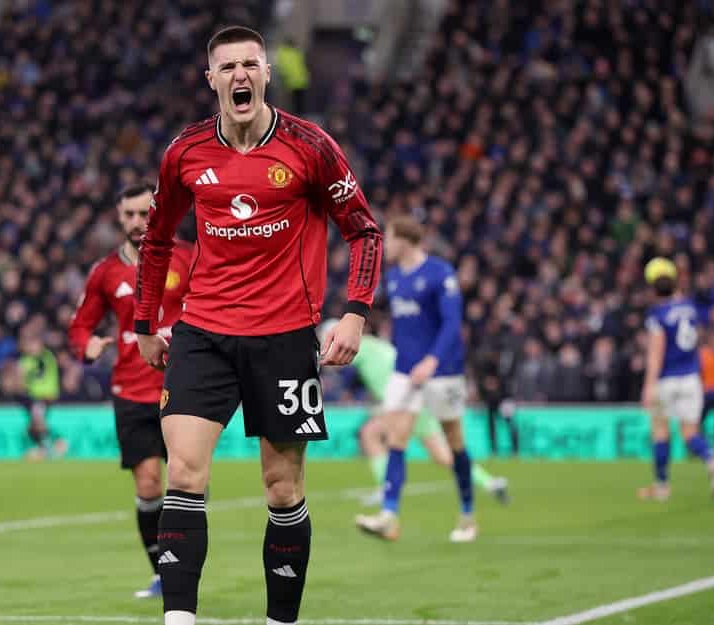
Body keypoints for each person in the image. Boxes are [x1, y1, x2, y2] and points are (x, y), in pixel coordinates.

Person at [133, 26, 382, 625]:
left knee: (282, 487)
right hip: (203, 332)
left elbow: (364, 231)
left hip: (284, 336)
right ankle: (178, 619)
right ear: (211, 79)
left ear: (267, 73)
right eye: (228, 67)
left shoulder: (309, 146)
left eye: (250, 64)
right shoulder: (186, 152)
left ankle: (280, 621)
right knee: (183, 472)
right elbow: (157, 238)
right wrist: (145, 322)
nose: (240, 75)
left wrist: (355, 313)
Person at [68, 181, 193, 599]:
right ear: (119, 218)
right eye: (130, 215)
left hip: (185, 385)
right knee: (149, 484)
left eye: (145, 213)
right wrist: (85, 346)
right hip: (131, 389)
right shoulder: (106, 272)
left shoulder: (189, 257)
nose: (138, 222)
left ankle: (185, 561)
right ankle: (164, 574)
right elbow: (81, 325)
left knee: (186, 480)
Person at [354, 215, 476, 543]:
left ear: (405, 240)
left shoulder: (440, 273)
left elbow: (452, 324)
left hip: (442, 371)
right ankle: (388, 516)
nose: (386, 246)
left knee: (454, 442)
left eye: (390, 238)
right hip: (404, 372)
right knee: (397, 438)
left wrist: (432, 360)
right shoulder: (393, 278)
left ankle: (467, 515)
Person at [315, 320, 509, 506]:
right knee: (441, 455)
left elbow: (333, 362)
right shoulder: (372, 346)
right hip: (411, 397)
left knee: (371, 434)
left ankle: (387, 490)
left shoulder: (360, 348)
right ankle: (490, 483)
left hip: (405, 401)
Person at [638, 257, 714, 501]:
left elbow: (656, 353)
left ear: (652, 287)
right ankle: (710, 457)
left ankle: (662, 486)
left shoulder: (657, 315)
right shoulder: (690, 308)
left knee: (660, 431)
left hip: (666, 379)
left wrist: (648, 385)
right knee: (690, 434)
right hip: (691, 378)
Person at [18, 336, 67, 460]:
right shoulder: (26, 360)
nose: (32, 348)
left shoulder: (47, 357)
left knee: (38, 422)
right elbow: (21, 377)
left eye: (34, 345)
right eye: (30, 346)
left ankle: (54, 443)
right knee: (32, 427)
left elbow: (40, 368)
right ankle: (48, 446)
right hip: (33, 397)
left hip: (45, 396)